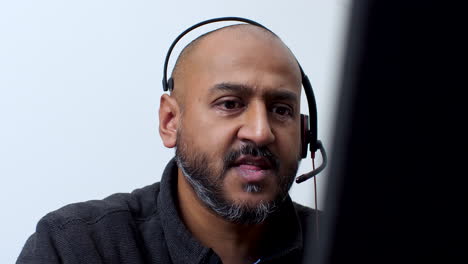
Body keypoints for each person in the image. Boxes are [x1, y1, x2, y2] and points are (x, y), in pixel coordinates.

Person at [17, 22, 319, 264]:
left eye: (281, 110)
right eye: (230, 104)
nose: (260, 132)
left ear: (305, 132)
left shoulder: (352, 246)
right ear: (170, 121)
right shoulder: (76, 247)